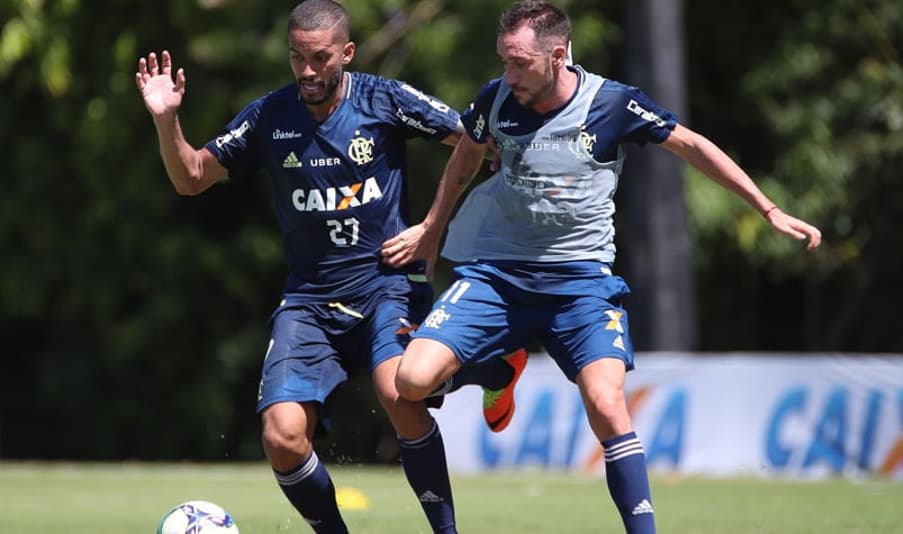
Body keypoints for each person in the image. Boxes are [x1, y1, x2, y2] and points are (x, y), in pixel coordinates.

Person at [381, 1, 823, 533]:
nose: (507, 74)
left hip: (580, 288)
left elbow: (692, 145)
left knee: (608, 405)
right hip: (497, 279)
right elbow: (466, 156)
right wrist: (430, 231)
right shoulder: (496, 99)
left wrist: (768, 209)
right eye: (503, 61)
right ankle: (498, 370)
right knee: (410, 381)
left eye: (519, 62)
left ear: (558, 55)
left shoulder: (611, 104)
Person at [134, 1, 527, 532]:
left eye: (319, 58)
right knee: (281, 435)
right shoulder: (271, 115)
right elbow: (192, 177)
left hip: (386, 284)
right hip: (310, 301)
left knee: (399, 392)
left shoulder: (383, 99)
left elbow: (475, 142)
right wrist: (166, 119)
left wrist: (432, 227)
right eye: (297, 57)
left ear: (346, 53)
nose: (307, 71)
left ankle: (451, 516)